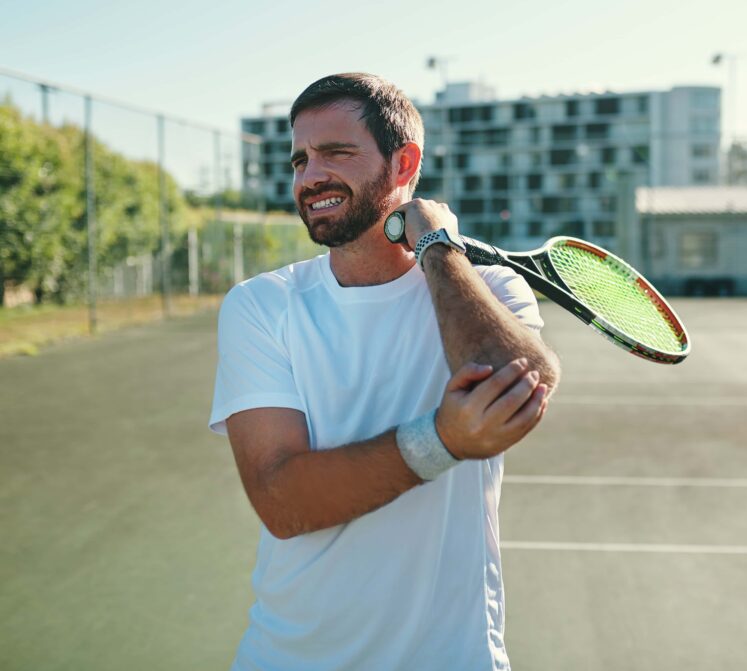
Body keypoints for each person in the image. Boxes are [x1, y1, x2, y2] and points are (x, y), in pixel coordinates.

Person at [209, 72, 560, 671]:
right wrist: (443, 440)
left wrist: (438, 250)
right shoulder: (261, 304)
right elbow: (281, 499)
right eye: (299, 159)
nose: (309, 175)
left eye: (336, 153)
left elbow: (519, 385)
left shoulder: (493, 287)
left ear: (404, 162)